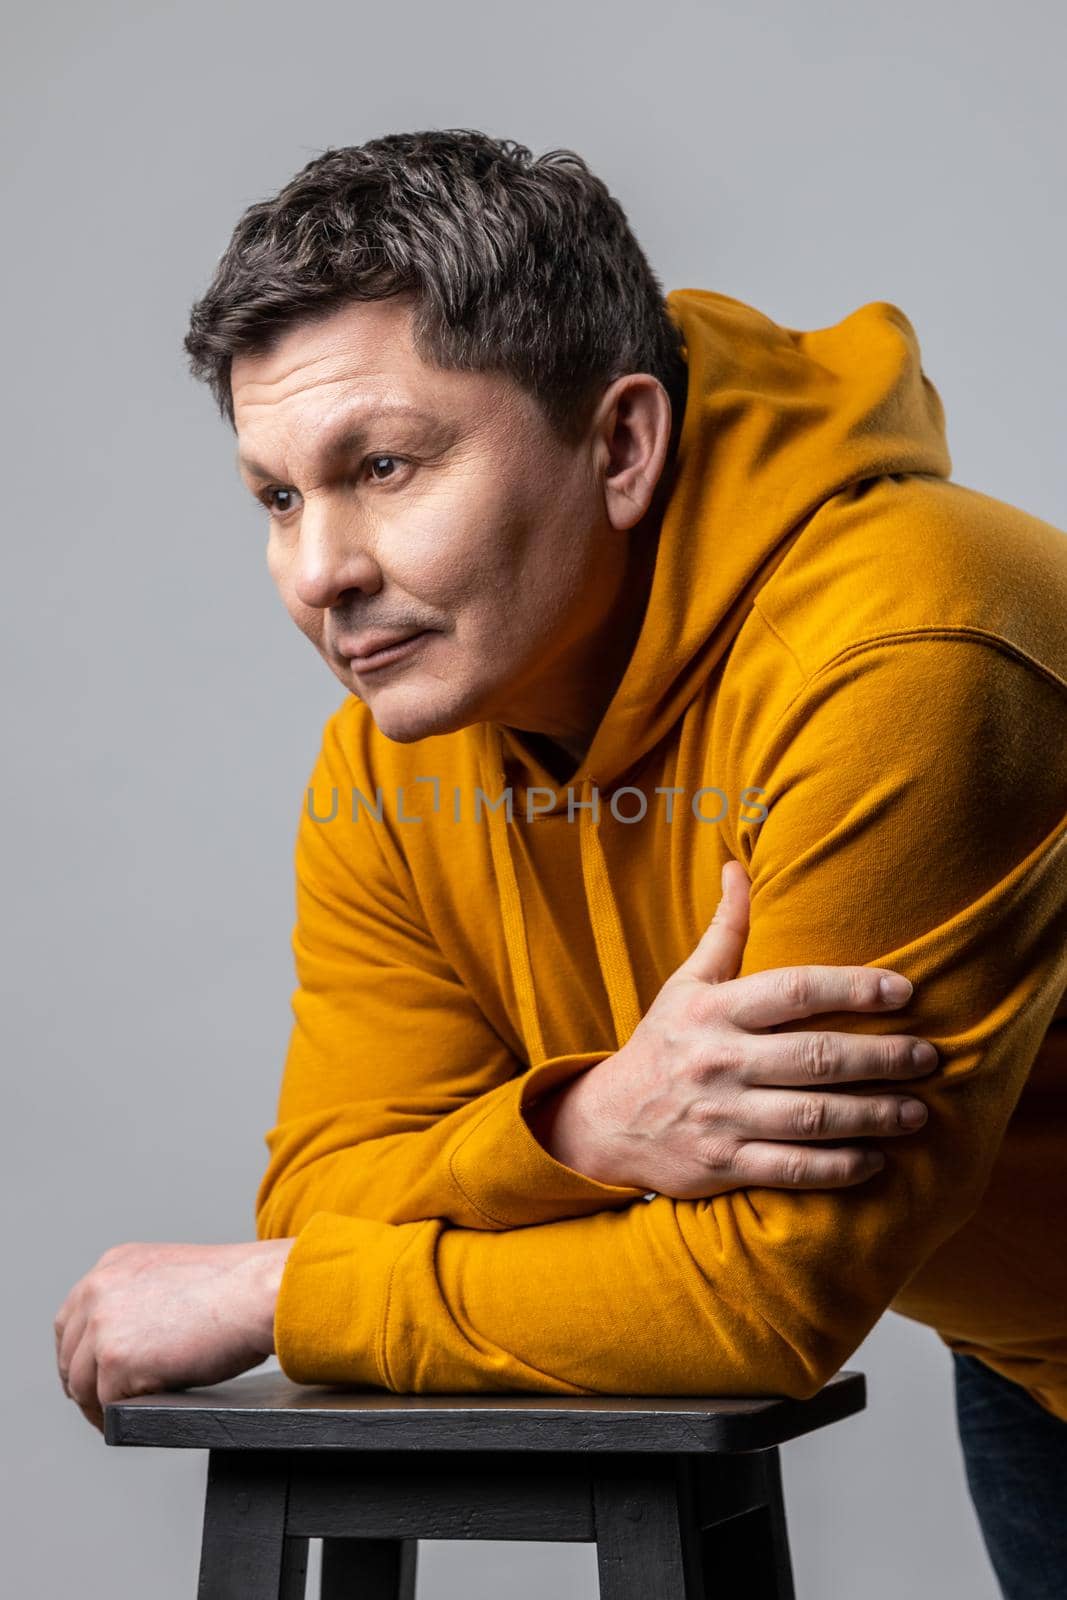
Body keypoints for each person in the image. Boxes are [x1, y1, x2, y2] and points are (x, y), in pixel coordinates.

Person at [54, 130, 1067, 1596]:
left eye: (385, 466)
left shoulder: (906, 654)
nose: (319, 570)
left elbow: (755, 1293)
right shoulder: (394, 752)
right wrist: (585, 1124)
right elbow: (332, 1185)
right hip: (1034, 1354)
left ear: (621, 445)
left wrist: (284, 1299)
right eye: (277, 497)